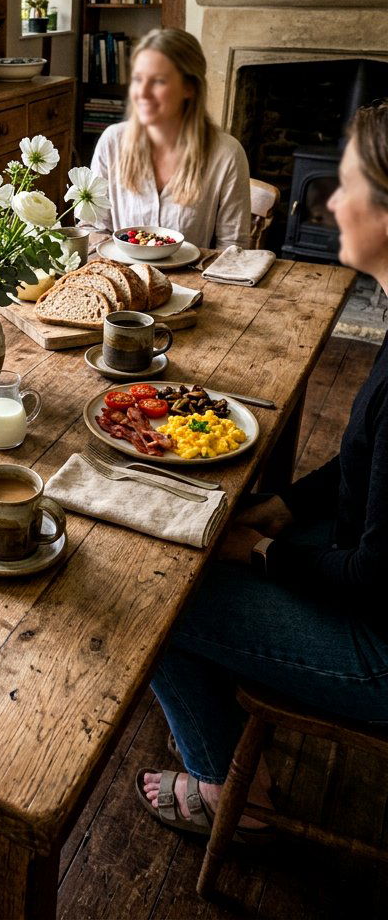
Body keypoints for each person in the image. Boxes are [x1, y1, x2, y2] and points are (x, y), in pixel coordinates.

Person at [137, 100, 388, 838]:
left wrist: (267, 551)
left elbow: (374, 577)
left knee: (159, 595)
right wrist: (283, 505)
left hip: (377, 648)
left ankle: (232, 794)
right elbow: (362, 466)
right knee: (201, 545)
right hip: (363, 579)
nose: (328, 202)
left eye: (346, 187)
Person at [90, 29, 251, 250]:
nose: (142, 93)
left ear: (189, 87)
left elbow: (233, 246)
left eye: (158, 81)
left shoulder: (227, 154)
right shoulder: (112, 142)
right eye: (138, 79)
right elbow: (93, 228)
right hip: (123, 278)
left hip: (194, 282)